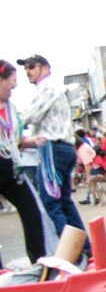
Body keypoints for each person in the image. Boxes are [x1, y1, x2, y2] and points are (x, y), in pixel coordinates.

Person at [17, 54, 91, 254]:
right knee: (64, 202)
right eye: (25, 69)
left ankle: (70, 253)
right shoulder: (51, 88)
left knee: (51, 204)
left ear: (45, 68)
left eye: (31, 67)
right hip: (60, 148)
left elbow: (30, 115)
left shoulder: (47, 87)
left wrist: (8, 127)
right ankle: (84, 249)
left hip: (53, 149)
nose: (28, 72)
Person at [0, 59, 47, 263]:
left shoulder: (10, 108)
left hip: (10, 168)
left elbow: (13, 142)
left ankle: (39, 261)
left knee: (32, 212)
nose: (15, 84)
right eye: (12, 80)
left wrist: (30, 141)